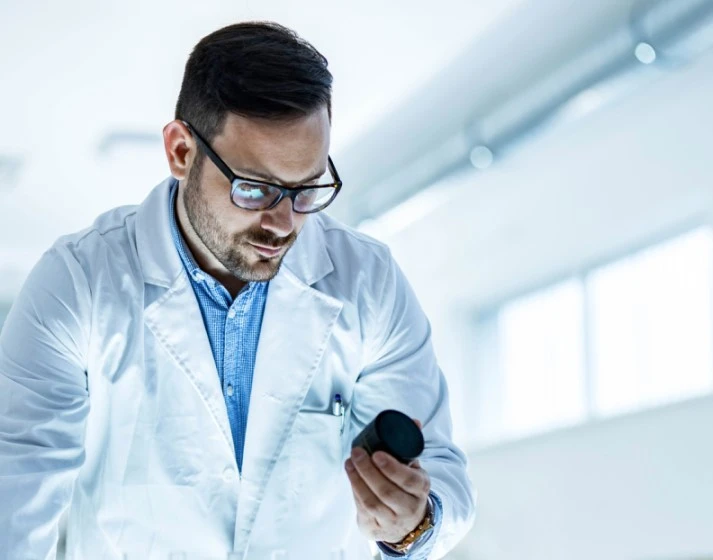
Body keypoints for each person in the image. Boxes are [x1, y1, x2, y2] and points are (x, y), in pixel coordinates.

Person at [0, 21, 475, 560]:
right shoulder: (78, 283)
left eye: (307, 188)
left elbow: (440, 469)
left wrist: (413, 521)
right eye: (255, 188)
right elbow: (14, 489)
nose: (284, 223)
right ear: (181, 151)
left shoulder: (368, 282)